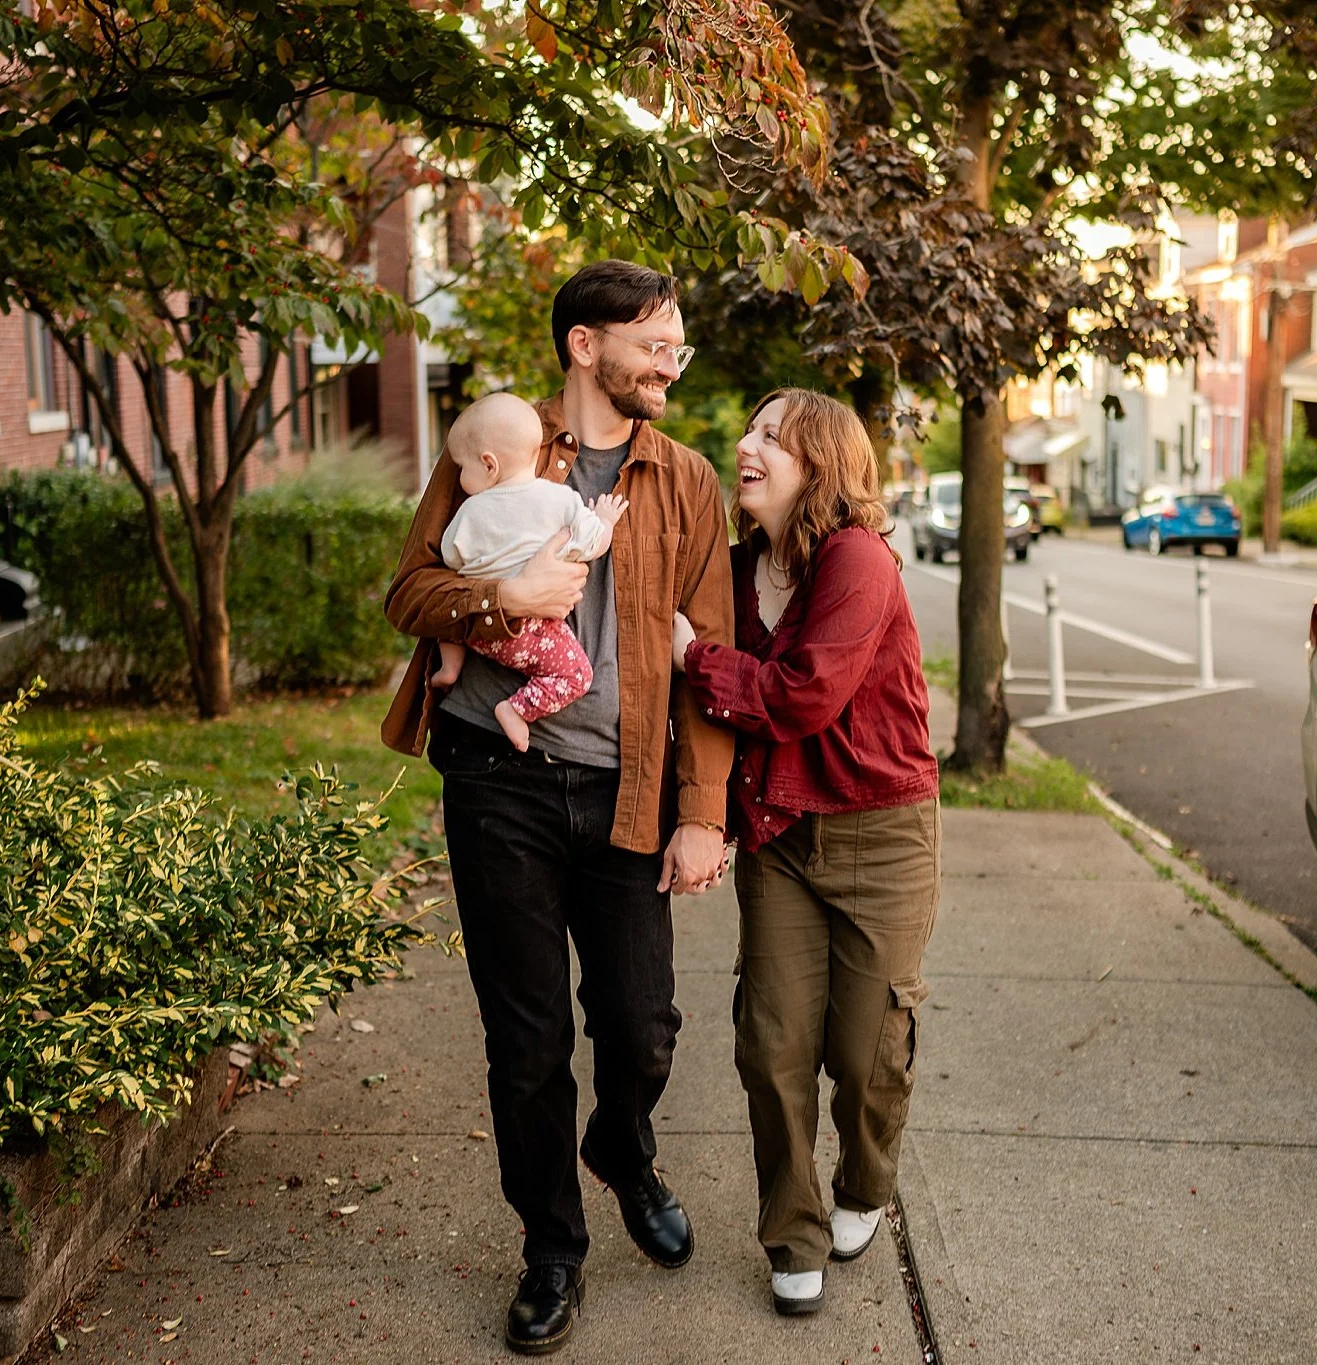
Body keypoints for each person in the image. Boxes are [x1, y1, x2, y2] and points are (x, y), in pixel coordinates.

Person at [381, 260, 734, 1356]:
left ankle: (621, 1151)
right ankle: (553, 1247)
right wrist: (500, 597)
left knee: (640, 1025)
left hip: (628, 790)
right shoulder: (491, 447)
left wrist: (702, 810)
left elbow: (708, 658)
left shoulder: (683, 480)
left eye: (676, 344)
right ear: (586, 346)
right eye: (655, 343)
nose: (671, 361)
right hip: (498, 780)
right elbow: (409, 592)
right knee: (524, 1037)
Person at [670, 389, 941, 1317]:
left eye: (771, 436)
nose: (745, 444)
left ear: (818, 462)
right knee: (772, 1041)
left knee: (869, 1050)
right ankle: (794, 1229)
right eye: (747, 427)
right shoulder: (740, 570)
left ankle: (866, 1181)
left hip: (880, 827)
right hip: (779, 830)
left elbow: (802, 696)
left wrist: (694, 660)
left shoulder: (857, 559)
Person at [426, 391, 629, 753]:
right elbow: (593, 544)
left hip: (478, 628)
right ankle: (517, 709)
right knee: (577, 675)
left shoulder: (470, 511)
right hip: (529, 634)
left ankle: (450, 666)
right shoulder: (558, 500)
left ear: (489, 465)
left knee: (459, 593)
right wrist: (606, 520)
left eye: (462, 468)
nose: (460, 478)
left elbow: (449, 557)